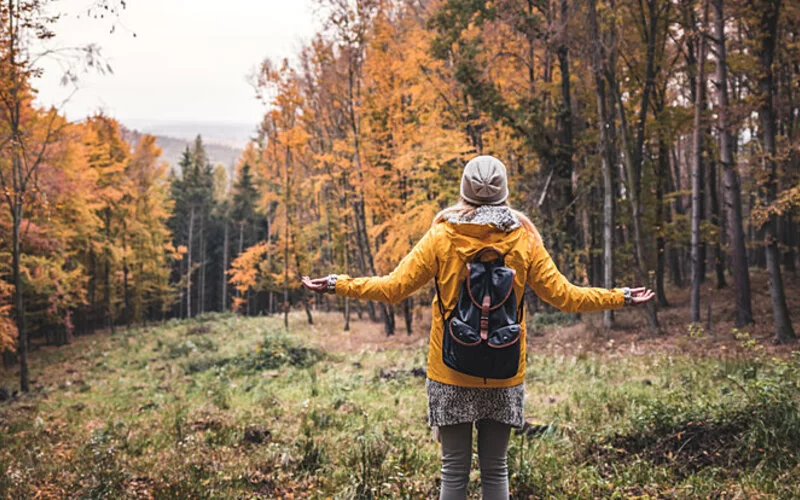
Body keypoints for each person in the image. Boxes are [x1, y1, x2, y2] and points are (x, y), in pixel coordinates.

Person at [302, 155, 654, 500]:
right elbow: (566, 297)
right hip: (505, 369)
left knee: (454, 471)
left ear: (464, 191)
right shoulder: (525, 239)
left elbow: (393, 289)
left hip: (450, 369)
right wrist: (619, 296)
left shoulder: (441, 236)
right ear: (503, 191)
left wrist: (338, 283)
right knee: (496, 470)